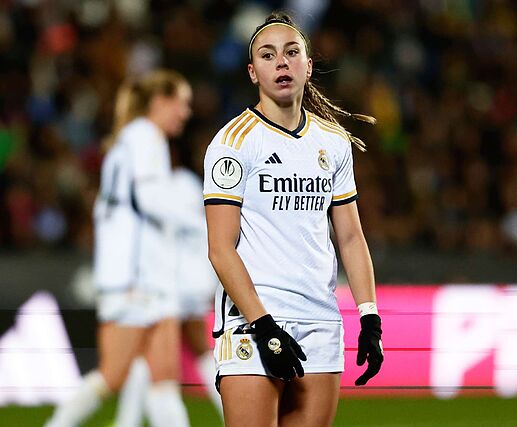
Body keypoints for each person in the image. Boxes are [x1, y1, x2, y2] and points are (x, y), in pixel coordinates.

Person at [203, 12, 384, 426]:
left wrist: (369, 316)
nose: (281, 63)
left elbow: (351, 237)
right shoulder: (233, 143)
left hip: (319, 320)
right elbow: (219, 248)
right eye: (268, 56)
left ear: (308, 65)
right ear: (253, 73)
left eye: (291, 53)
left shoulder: (332, 143)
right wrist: (262, 324)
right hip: (253, 320)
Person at [46, 69, 197, 427]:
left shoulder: (130, 141)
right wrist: (206, 220)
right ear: (161, 102)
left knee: (164, 380)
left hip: (147, 276)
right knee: (112, 376)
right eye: (182, 103)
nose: (186, 113)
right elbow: (149, 198)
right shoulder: (146, 138)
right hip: (135, 279)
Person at [114, 164, 224, 426]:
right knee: (197, 352)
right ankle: (230, 411)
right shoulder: (188, 184)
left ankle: (127, 421)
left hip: (170, 283)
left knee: (148, 353)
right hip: (194, 279)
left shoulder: (154, 192)